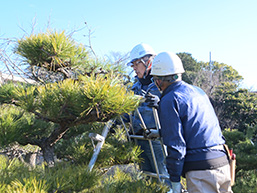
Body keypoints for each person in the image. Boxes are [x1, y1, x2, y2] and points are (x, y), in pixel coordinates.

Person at [146, 51, 233, 193]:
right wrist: (161, 133)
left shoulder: (169, 99)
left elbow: (176, 147)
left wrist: (175, 182)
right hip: (222, 164)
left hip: (202, 171)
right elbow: (196, 127)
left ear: (158, 80)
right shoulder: (198, 91)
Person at [125, 43, 172, 190]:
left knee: (164, 178)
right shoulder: (134, 87)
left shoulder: (162, 83)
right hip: (139, 138)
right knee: (147, 179)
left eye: (136, 63)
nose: (134, 68)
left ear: (148, 61)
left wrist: (160, 104)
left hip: (157, 138)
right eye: (132, 64)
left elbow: (175, 107)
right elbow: (128, 113)